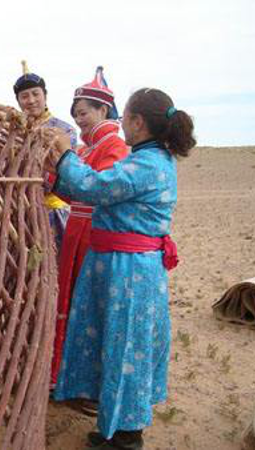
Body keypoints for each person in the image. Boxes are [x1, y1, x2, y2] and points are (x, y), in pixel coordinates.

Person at [44, 87, 196, 449]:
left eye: (124, 116)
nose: (121, 122)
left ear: (138, 122)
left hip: (130, 272)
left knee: (127, 346)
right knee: (117, 343)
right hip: (122, 267)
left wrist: (64, 154)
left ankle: (127, 437)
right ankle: (116, 427)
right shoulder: (148, 158)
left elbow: (93, 186)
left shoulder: (146, 164)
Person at [50, 67, 128, 391]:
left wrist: (65, 159)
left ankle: (87, 384)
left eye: (84, 113)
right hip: (77, 232)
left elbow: (95, 189)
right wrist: (50, 174)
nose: (79, 120)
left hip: (94, 236)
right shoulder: (86, 149)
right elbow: (72, 193)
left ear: (103, 110)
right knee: (71, 302)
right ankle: (66, 376)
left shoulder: (115, 147)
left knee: (89, 308)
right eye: (76, 115)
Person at [14, 61, 77, 257]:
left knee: (55, 263)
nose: (31, 100)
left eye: (36, 94)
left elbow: (65, 171)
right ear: (18, 101)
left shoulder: (64, 130)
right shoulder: (14, 132)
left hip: (53, 211)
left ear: (45, 96)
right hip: (21, 211)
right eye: (24, 96)